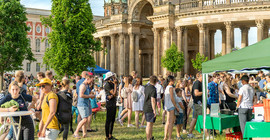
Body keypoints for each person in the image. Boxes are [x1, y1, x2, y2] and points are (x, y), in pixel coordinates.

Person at [73, 74, 95, 138]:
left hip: (85, 104)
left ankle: (84, 134)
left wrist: (91, 95)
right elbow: (81, 95)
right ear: (87, 78)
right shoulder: (83, 86)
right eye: (91, 80)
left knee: (84, 119)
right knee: (85, 119)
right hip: (82, 105)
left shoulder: (86, 85)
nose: (91, 82)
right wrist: (90, 96)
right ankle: (76, 132)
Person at [187, 73, 203, 139]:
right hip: (197, 103)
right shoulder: (197, 83)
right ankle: (205, 134)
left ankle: (190, 133)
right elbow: (196, 93)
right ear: (201, 76)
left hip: (199, 103)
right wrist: (204, 92)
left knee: (195, 118)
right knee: (199, 118)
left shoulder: (200, 83)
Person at [164, 75, 179, 140]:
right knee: (171, 123)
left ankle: (165, 136)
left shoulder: (167, 87)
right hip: (171, 106)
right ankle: (169, 137)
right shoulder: (170, 88)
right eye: (173, 80)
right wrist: (176, 106)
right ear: (171, 81)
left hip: (167, 106)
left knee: (167, 122)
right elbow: (172, 98)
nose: (174, 81)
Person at [104, 72, 118, 140]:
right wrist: (115, 85)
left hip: (113, 102)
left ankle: (110, 135)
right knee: (108, 120)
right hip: (109, 104)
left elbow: (115, 94)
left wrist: (115, 85)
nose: (114, 78)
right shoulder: (107, 85)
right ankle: (107, 136)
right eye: (113, 77)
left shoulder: (112, 84)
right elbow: (114, 93)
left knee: (112, 120)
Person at [143, 75, 157, 140]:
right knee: (149, 124)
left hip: (145, 106)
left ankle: (150, 137)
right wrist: (154, 110)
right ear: (156, 81)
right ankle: (148, 138)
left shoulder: (146, 87)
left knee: (150, 123)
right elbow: (153, 100)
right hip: (150, 108)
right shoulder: (153, 89)